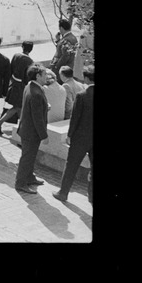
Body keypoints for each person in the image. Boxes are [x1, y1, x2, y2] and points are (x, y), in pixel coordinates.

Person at [53, 64, 93, 203]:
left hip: (80, 138)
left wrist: (70, 135)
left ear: (86, 79)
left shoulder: (82, 96)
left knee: (71, 166)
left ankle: (63, 193)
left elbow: (75, 118)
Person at [14, 63, 49, 194]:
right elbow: (37, 118)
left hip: (26, 129)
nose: (46, 77)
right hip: (31, 132)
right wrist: (44, 135)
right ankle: (21, 183)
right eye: (44, 74)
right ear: (38, 76)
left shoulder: (30, 86)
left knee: (31, 156)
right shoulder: (36, 93)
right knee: (27, 157)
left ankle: (29, 177)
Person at [0, 40, 34, 135]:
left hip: (14, 83)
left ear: (22, 47)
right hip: (21, 86)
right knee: (19, 107)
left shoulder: (16, 55)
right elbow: (26, 77)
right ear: (31, 49)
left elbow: (10, 69)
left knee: (18, 107)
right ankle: (19, 128)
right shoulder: (30, 61)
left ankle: (16, 126)